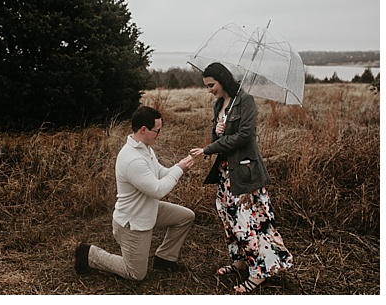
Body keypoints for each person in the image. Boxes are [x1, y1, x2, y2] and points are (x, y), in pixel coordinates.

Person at [187, 62, 293, 293]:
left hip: (244, 172)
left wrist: (209, 148)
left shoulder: (245, 101)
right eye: (206, 86)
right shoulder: (219, 105)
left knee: (248, 223)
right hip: (226, 173)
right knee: (229, 218)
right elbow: (217, 136)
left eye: (211, 85)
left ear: (222, 80)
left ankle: (258, 274)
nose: (209, 90)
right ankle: (240, 262)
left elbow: (245, 136)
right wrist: (218, 131)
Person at [74, 106, 198, 281]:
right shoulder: (133, 159)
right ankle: (89, 254)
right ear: (143, 129)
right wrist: (179, 170)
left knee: (186, 217)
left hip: (148, 210)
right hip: (132, 222)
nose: (159, 134)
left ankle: (165, 258)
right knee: (136, 274)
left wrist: (180, 166)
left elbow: (161, 173)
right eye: (157, 130)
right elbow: (158, 190)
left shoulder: (145, 148)